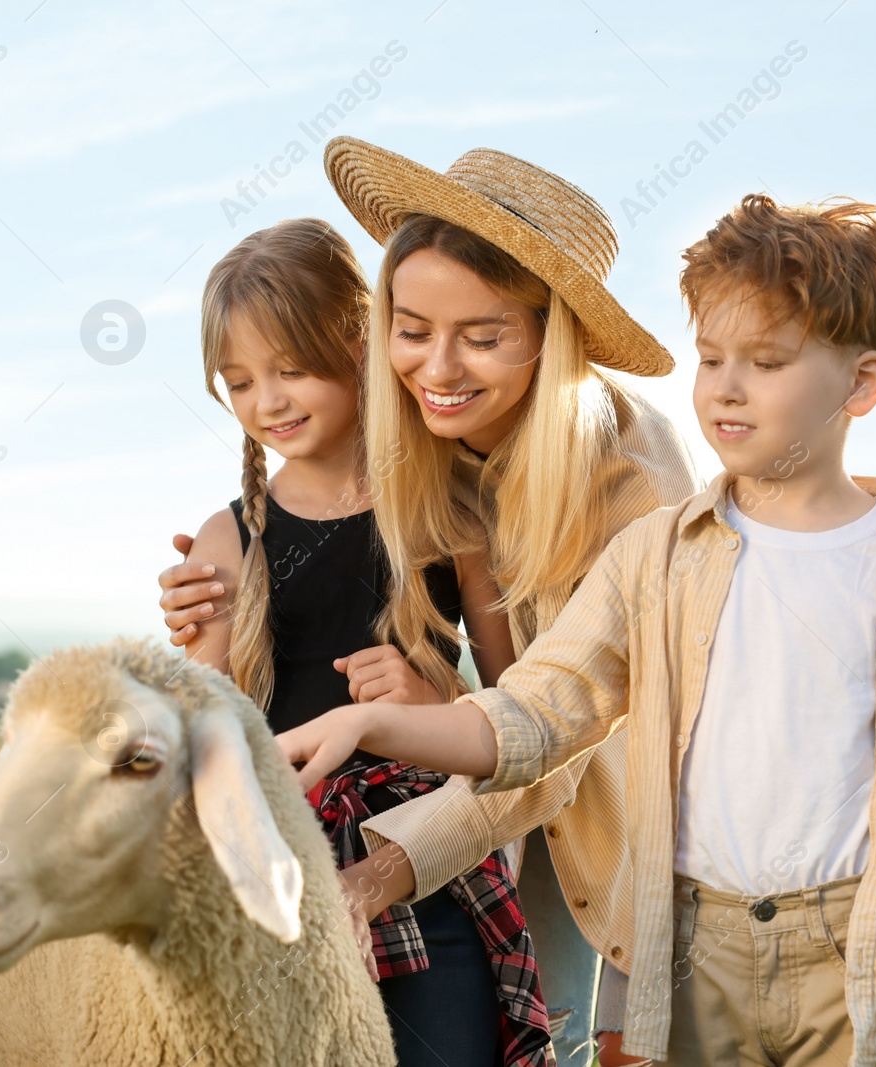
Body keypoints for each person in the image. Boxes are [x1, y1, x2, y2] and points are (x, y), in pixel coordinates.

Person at [275, 193, 876, 1067]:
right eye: (711, 358)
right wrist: (246, 587)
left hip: (768, 908)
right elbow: (537, 708)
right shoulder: (626, 541)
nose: (727, 387)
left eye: (767, 360)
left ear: (862, 383)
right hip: (688, 928)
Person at [162, 138, 700, 1065]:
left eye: (483, 338)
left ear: (550, 338)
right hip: (431, 784)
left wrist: (393, 828)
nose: (437, 369)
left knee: (552, 1022)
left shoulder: (629, 491)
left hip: (579, 808)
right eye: (411, 330)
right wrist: (223, 597)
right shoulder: (408, 430)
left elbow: (557, 730)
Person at [173, 216, 551, 1067]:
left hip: (424, 862)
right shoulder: (226, 540)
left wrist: (432, 704)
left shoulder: (452, 510)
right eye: (239, 382)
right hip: (280, 867)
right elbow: (210, 733)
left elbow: (527, 706)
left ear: (358, 342)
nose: (267, 400)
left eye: (290, 368)